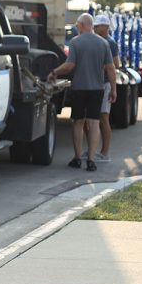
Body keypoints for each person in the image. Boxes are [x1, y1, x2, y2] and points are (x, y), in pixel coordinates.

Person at [49, 13, 116, 172]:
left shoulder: (75, 42)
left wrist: (54, 72)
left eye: (78, 25)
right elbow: (111, 68)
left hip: (79, 88)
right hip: (97, 89)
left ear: (82, 25)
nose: (76, 28)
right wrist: (113, 89)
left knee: (78, 122)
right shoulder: (103, 43)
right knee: (94, 123)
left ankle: (78, 158)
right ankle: (91, 160)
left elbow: (69, 65)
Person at [93, 14, 121, 162]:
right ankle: (93, 150)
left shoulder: (110, 43)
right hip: (95, 83)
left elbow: (116, 65)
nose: (96, 28)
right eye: (95, 26)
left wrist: (99, 65)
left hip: (105, 84)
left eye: (98, 26)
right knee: (92, 119)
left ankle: (105, 153)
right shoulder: (97, 41)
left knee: (104, 118)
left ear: (105, 27)